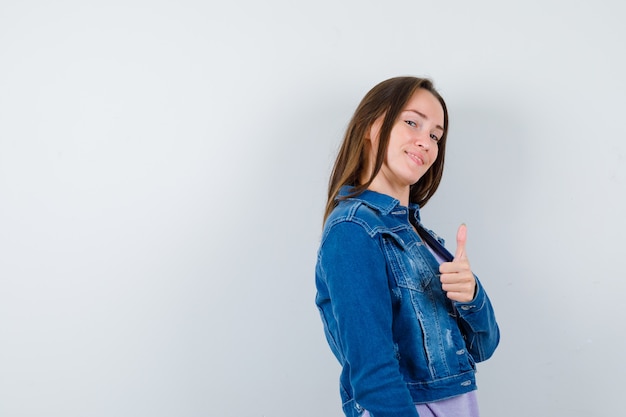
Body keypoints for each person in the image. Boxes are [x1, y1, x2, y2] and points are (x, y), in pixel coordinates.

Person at [315, 76, 500, 417]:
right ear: (371, 127)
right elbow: (372, 375)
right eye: (412, 122)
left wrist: (472, 296)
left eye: (435, 135)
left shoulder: (418, 237)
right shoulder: (353, 230)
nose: (426, 142)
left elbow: (484, 346)